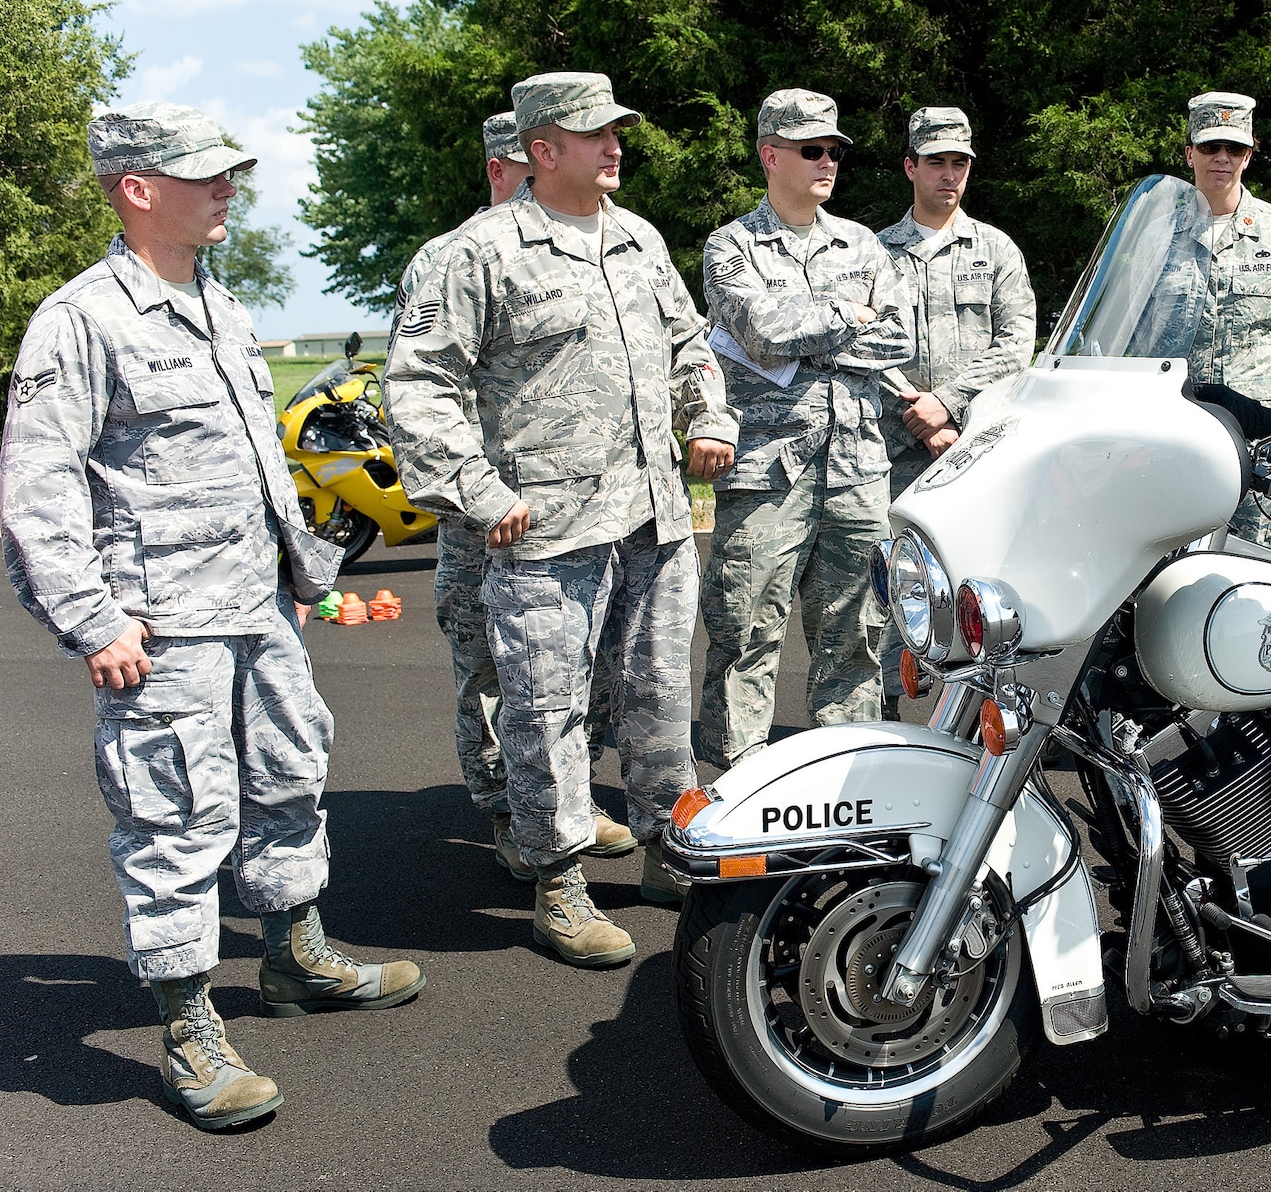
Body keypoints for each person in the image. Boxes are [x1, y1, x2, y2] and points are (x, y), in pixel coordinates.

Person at [1, 103, 426, 1131]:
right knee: (176, 821)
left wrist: (303, 570)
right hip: (162, 625)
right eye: (205, 174)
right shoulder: (82, 319)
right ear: (138, 188)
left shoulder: (220, 305)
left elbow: (256, 463)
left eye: (230, 171)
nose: (229, 186)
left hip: (254, 605)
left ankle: (293, 956)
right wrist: (92, 621)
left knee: (290, 775)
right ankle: (189, 1024)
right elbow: (35, 487)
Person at [384, 72, 737, 967]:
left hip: (651, 517)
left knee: (658, 693)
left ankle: (669, 848)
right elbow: (420, 387)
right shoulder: (476, 253)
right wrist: (480, 491)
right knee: (547, 706)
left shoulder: (640, 238)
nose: (615, 145)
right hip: (544, 526)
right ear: (542, 150)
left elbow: (691, 344)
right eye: (593, 134)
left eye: (618, 129)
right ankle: (560, 881)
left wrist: (711, 418)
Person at [392, 111, 635, 880]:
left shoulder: (590, 246)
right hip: (482, 508)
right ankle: (505, 805)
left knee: (578, 663)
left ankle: (569, 793)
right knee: (495, 662)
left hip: (572, 504)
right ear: (503, 167)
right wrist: (482, 485)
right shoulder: (448, 260)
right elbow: (429, 386)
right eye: (509, 165)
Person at [697, 89, 914, 766]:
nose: (828, 161)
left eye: (835, 151)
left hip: (857, 470)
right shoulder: (731, 246)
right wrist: (849, 313)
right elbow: (760, 332)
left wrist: (809, 326)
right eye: (812, 149)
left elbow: (900, 339)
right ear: (771, 154)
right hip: (768, 470)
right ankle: (734, 790)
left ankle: (843, 789)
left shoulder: (862, 244)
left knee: (854, 637)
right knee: (745, 633)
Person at [874, 106, 1036, 713]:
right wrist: (918, 415)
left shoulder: (996, 250)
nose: (949, 174)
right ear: (910, 166)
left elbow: (1018, 344)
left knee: (984, 587)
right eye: (935, 162)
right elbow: (861, 348)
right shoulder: (873, 253)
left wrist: (949, 407)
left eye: (959, 163)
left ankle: (982, 721)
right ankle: (885, 717)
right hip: (894, 449)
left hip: (981, 449)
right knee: (895, 587)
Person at [1149, 91, 1271, 547]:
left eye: (1235, 149)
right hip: (1179, 422)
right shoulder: (1156, 232)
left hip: (1259, 428)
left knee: (1259, 557)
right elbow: (1138, 328)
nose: (1222, 159)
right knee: (1171, 553)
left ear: (1250, 154)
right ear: (1190, 153)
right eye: (1210, 147)